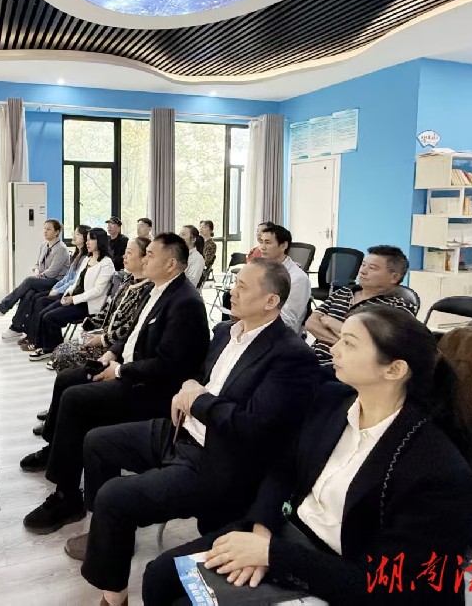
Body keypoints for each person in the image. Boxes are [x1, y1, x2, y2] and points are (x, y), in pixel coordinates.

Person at [143, 306, 472, 606]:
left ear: (394, 370)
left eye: (349, 343)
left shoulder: (435, 469)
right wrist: (262, 530)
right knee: (160, 576)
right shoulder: (333, 401)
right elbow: (284, 467)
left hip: (343, 570)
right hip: (285, 534)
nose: (334, 349)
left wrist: (274, 555)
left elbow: (393, 585)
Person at [72, 260, 322, 605]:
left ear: (271, 301)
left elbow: (253, 425)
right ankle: (108, 538)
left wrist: (199, 399)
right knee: (98, 441)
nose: (232, 291)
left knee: (115, 496)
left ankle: (114, 598)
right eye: (235, 283)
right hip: (180, 430)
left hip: (216, 458)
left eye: (243, 287)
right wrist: (190, 387)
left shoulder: (290, 356)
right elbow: (205, 380)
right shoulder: (225, 332)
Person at [19, 233, 210, 534]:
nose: (145, 260)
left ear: (171, 264)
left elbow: (169, 367)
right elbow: (132, 334)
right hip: (129, 370)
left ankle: (67, 496)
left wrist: (121, 371)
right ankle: (55, 449)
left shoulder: (185, 302)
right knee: (68, 380)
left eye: (151, 255)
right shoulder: (156, 290)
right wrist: (112, 354)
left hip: (151, 391)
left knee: (76, 400)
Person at [47, 237, 153, 372]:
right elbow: (110, 307)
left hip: (118, 346)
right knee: (61, 350)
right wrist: (89, 325)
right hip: (106, 335)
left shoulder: (147, 289)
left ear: (144, 258)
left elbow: (131, 327)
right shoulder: (128, 281)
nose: (124, 256)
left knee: (65, 356)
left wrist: (103, 339)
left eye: (129, 253)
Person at [306, 245, 417, 367]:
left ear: (394, 277)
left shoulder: (397, 307)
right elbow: (311, 323)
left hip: (347, 369)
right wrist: (348, 342)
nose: (363, 271)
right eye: (363, 265)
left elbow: (376, 344)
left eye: (372, 268)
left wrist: (331, 322)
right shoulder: (344, 292)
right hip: (311, 359)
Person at [24, 228, 116, 357]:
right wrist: (67, 294)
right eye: (87, 239)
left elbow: (98, 291)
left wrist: (74, 299)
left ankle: (52, 350)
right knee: (43, 313)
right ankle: (45, 347)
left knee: (50, 317)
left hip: (88, 305)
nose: (87, 242)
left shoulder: (107, 263)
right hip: (75, 299)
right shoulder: (87, 259)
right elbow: (76, 281)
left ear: (100, 241)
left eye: (91, 239)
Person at [9, 225, 89, 344]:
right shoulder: (76, 255)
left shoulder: (83, 257)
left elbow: (74, 281)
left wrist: (57, 290)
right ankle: (30, 334)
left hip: (71, 293)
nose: (73, 235)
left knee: (38, 297)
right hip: (62, 288)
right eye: (74, 233)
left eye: (77, 234)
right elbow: (67, 278)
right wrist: (56, 288)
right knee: (33, 295)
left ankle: (36, 339)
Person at [0, 219, 69, 322]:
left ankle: (2, 307)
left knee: (29, 281)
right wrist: (36, 270)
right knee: (28, 293)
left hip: (56, 281)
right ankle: (17, 326)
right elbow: (37, 264)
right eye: (44, 228)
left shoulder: (61, 249)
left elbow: (53, 272)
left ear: (57, 232)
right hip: (44, 279)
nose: (45, 231)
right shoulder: (44, 245)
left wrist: (39, 276)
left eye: (49, 229)